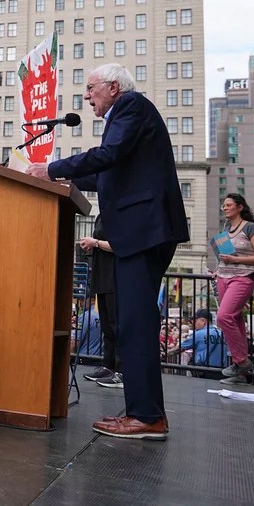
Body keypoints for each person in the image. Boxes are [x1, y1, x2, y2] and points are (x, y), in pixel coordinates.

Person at [28, 63, 188, 441]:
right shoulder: (130, 113)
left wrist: (50, 170)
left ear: (113, 87)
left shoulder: (131, 106)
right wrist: (63, 175)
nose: (86, 97)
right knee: (133, 324)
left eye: (90, 88)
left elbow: (109, 155)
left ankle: (147, 416)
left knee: (135, 324)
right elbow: (106, 173)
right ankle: (144, 413)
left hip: (143, 231)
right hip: (142, 231)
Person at [212, 194, 254, 385]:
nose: (224, 208)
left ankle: (241, 362)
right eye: (223, 205)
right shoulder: (225, 229)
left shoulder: (251, 228)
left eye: (228, 205)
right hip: (223, 277)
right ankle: (241, 374)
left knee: (223, 316)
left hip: (243, 278)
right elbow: (224, 256)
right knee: (235, 319)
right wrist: (217, 270)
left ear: (239, 207)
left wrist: (236, 260)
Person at [80, 216, 121, 388]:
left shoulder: (118, 214)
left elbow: (119, 245)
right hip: (101, 277)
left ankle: (121, 371)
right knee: (106, 326)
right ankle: (108, 366)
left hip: (114, 278)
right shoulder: (101, 217)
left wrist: (95, 242)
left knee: (115, 325)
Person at [178, 309, 227, 375]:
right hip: (222, 371)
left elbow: (180, 348)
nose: (193, 323)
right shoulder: (222, 334)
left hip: (205, 370)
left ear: (203, 321)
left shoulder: (198, 334)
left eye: (195, 321)